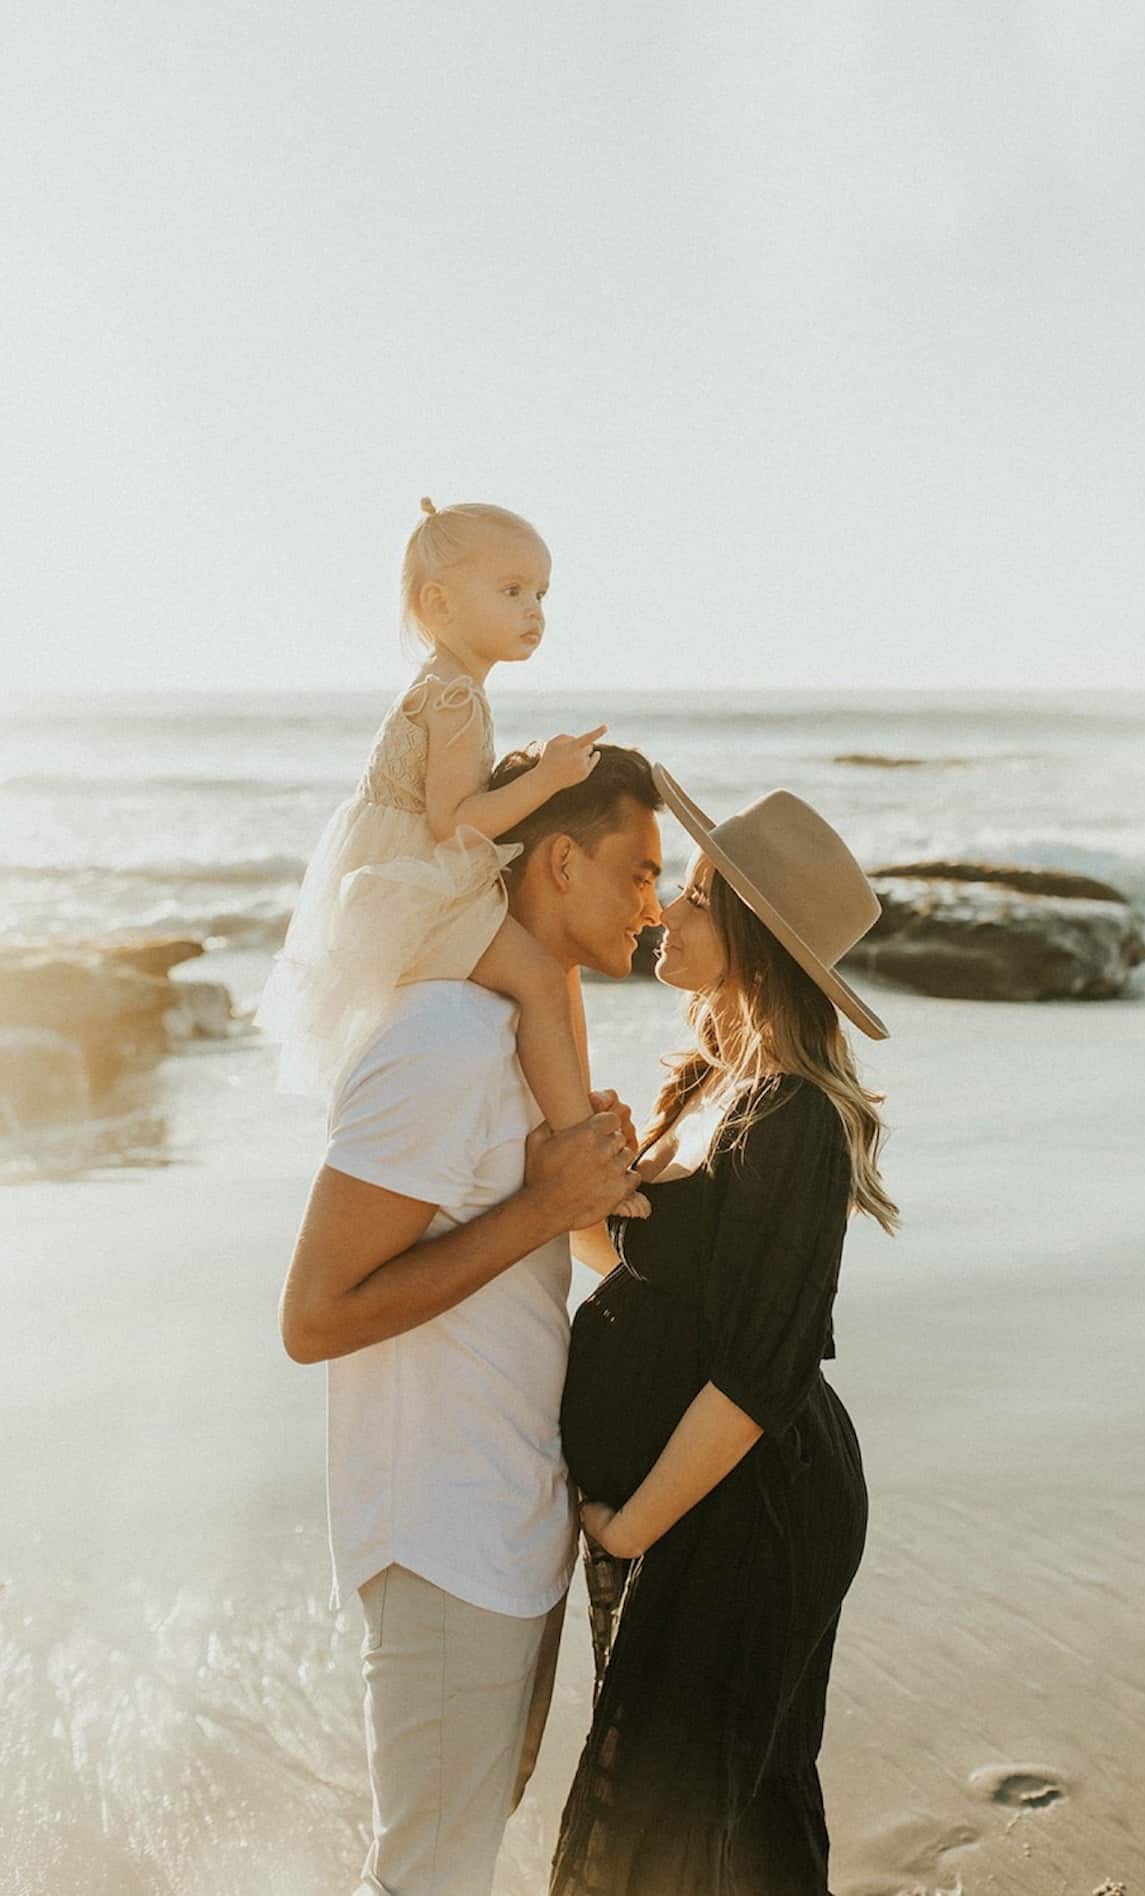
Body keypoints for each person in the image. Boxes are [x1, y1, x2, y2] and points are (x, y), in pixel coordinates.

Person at [279, 742, 663, 1896]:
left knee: (455, 1859)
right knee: (427, 1879)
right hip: (442, 1537)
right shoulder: (440, 1040)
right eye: (637, 872)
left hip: (511, 1525)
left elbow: (566, 1251)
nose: (652, 903)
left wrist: (594, 1200)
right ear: (556, 862)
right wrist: (548, 1199)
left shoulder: (524, 1046)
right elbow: (313, 1315)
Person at [552, 770, 900, 1896]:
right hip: (696, 1495)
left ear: (749, 933)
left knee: (674, 1814)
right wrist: (594, 1193)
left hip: (753, 1506)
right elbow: (656, 1288)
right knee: (729, 1812)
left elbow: (757, 1371)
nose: (664, 909)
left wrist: (625, 1530)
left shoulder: (792, 1118)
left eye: (696, 894)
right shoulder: (707, 1080)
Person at [257, 500, 643, 1217]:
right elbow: (454, 824)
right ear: (438, 603)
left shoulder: (442, 685)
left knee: (534, 972)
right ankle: (584, 1155)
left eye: (540, 594)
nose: (533, 610)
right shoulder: (457, 697)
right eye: (511, 591)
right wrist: (548, 779)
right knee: (537, 978)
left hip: (399, 880)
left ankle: (573, 1124)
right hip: (419, 886)